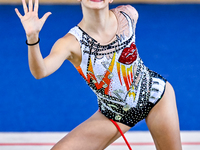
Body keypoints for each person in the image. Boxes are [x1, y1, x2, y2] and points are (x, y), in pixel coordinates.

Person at [15, 0, 182, 149]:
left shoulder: (128, 14)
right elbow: (40, 71)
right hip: (114, 113)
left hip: (156, 96)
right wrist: (32, 38)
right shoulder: (70, 43)